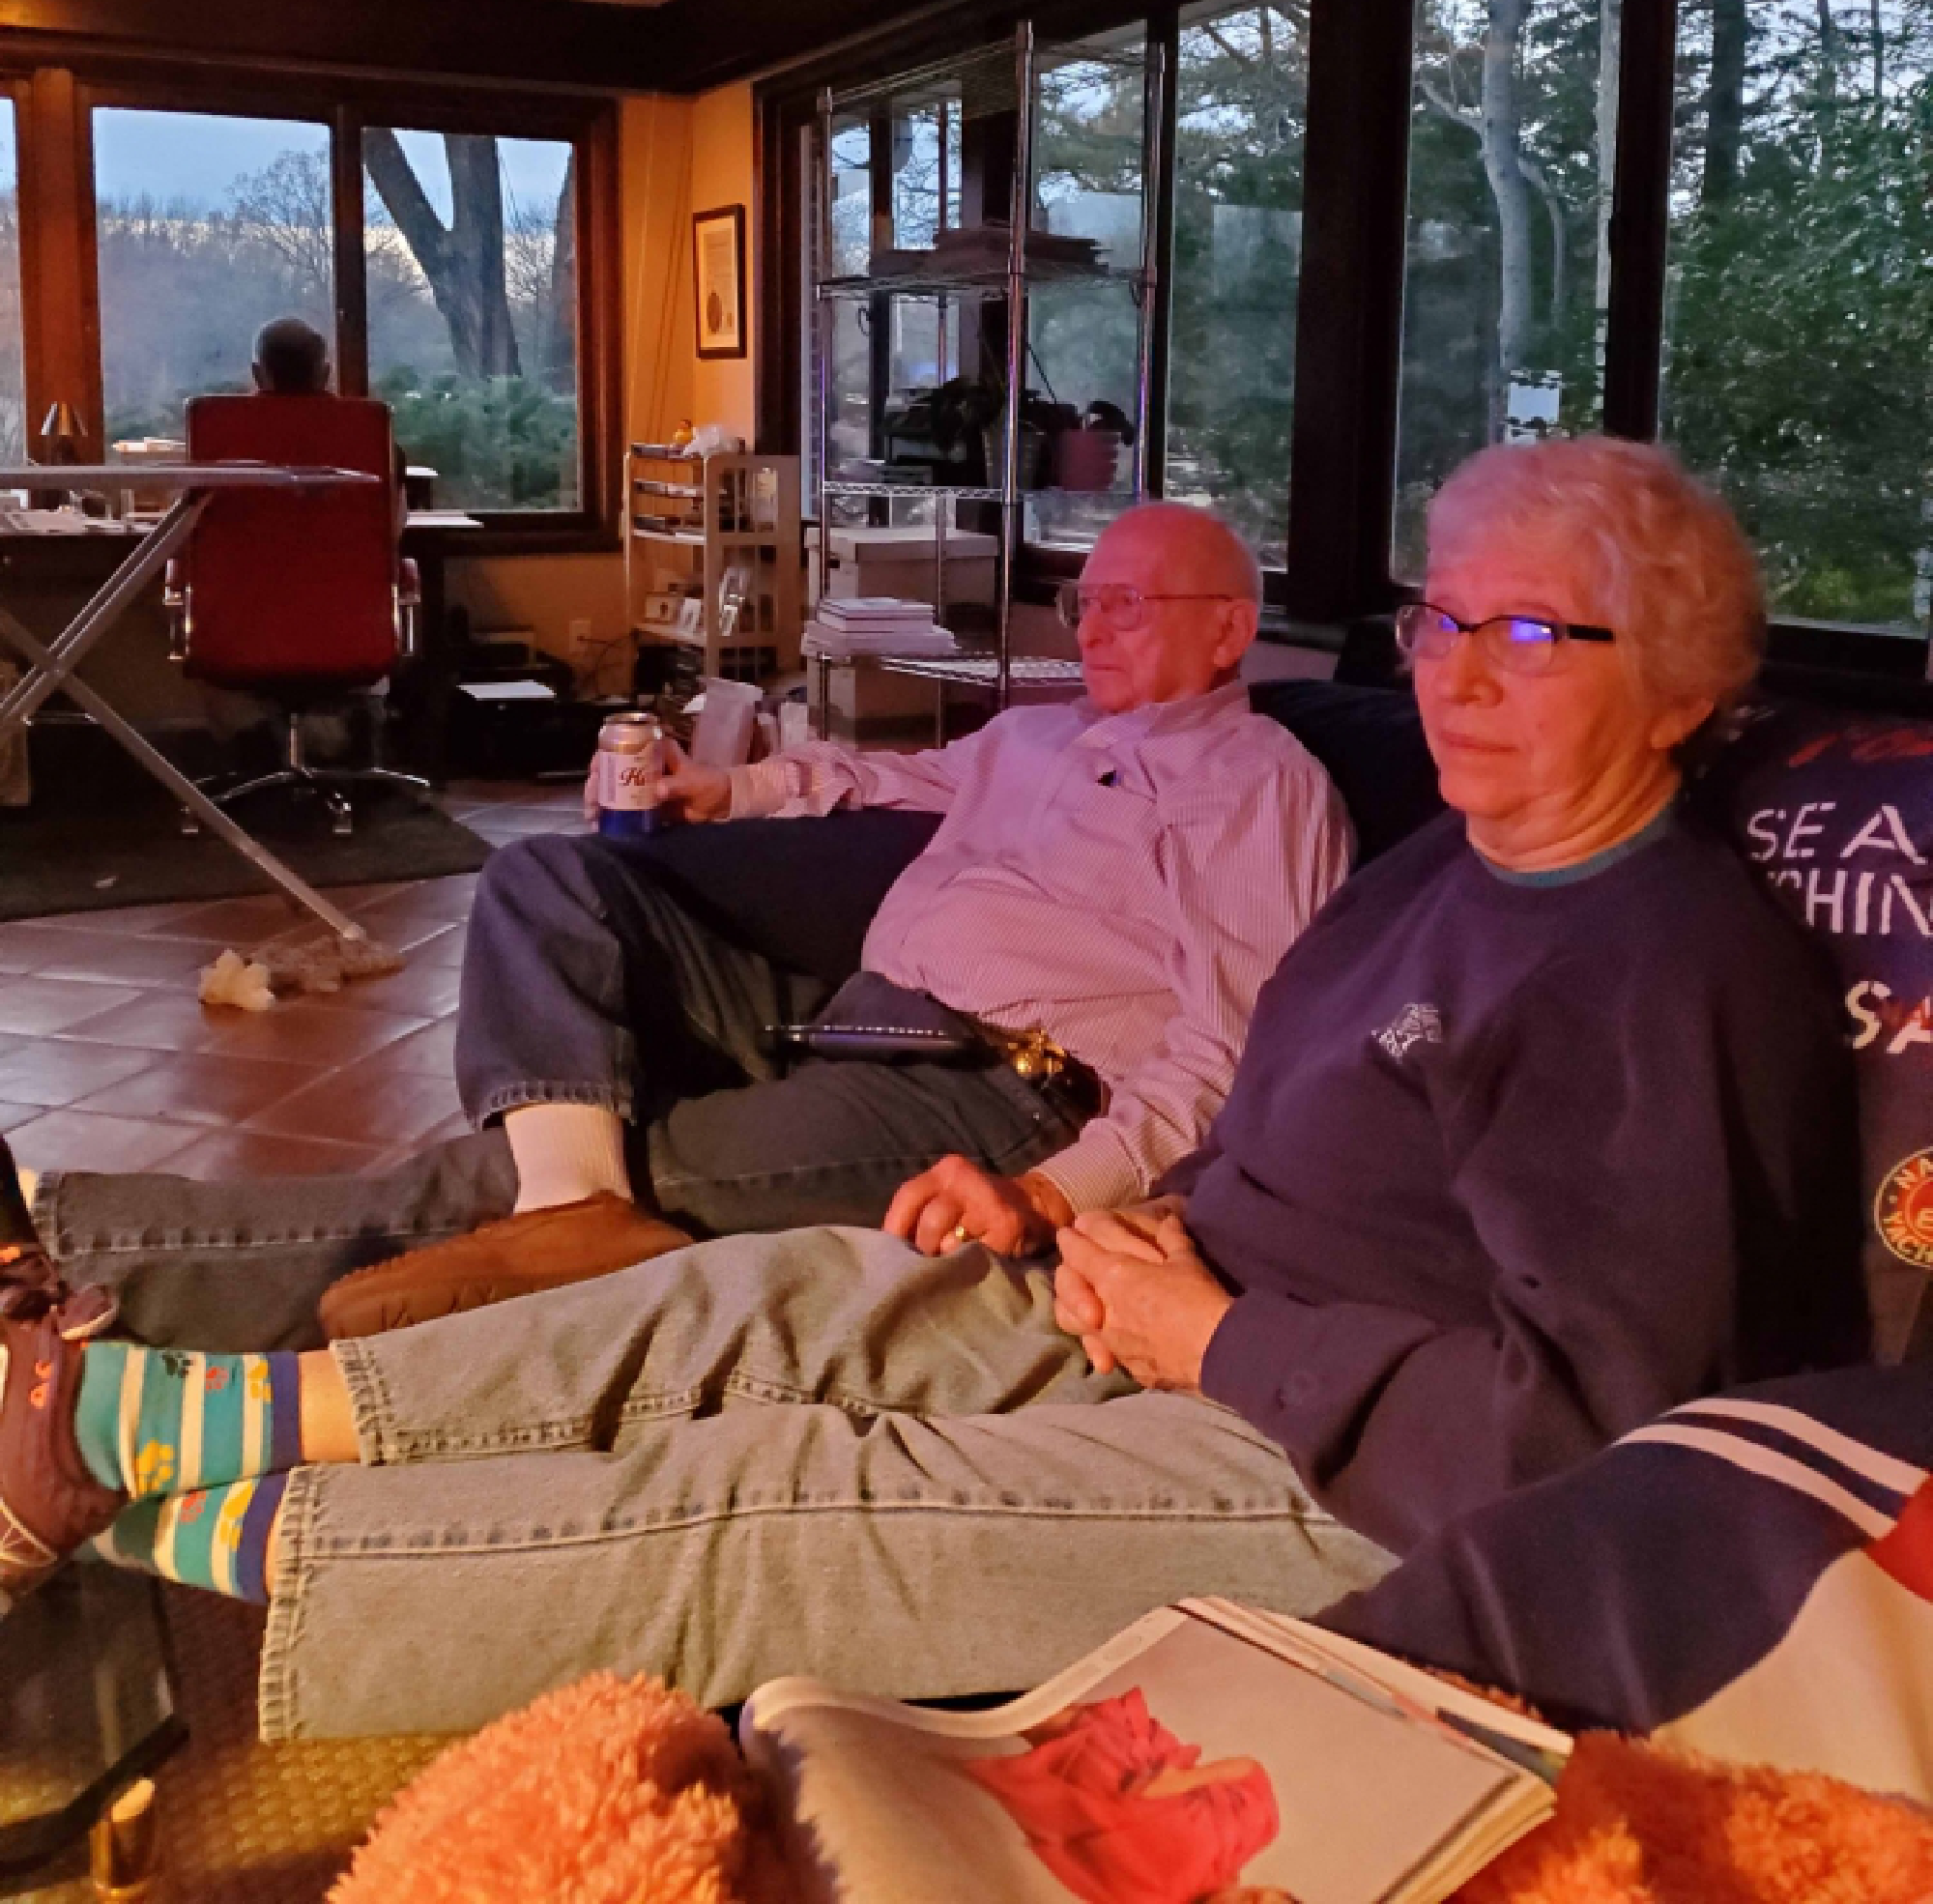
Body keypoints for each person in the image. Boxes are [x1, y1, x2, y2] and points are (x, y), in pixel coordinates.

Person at [0, 439, 1866, 1741]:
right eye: (1445, 623)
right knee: (750, 1288)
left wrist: (1210, 1328)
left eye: (1532, 635)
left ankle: (119, 1512)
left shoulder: (1660, 972)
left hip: (1354, 1472)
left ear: (1686, 681)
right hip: (1177, 1287)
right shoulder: (1445, 870)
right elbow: (1279, 1132)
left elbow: (1600, 1430)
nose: (1460, 677)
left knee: (783, 1492)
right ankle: (143, 1402)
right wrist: (1075, 1212)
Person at [26, 502, 1352, 1349]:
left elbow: (1244, 1040)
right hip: (852, 1008)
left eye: (1134, 601)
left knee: (514, 1183)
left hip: (1000, 1089)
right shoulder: (1043, 729)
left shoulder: (1261, 785)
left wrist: (1056, 1189)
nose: (1095, 623)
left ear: (1230, 629)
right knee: (546, 878)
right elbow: (892, 777)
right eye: (1088, 597)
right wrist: (735, 784)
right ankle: (576, 1208)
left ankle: (77, 1253)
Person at [962, 1690, 1283, 1904]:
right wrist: (1184, 1779)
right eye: (1260, 1899)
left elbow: (1087, 1857)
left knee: (1007, 1713)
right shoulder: (1246, 1837)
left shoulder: (1157, 1898)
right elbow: (1249, 1771)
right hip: (1116, 1750)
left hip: (1078, 1780)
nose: (1250, 1898)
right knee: (1032, 1703)